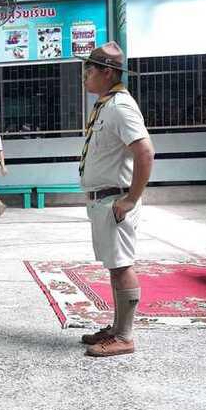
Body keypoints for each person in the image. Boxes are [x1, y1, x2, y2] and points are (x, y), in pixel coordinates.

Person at [77, 42, 154, 357]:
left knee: (122, 266)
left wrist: (131, 199)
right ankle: (117, 327)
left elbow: (145, 152)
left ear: (107, 72)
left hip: (116, 200)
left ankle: (124, 336)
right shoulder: (106, 105)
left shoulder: (121, 106)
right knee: (114, 265)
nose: (85, 75)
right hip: (104, 201)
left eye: (90, 69)